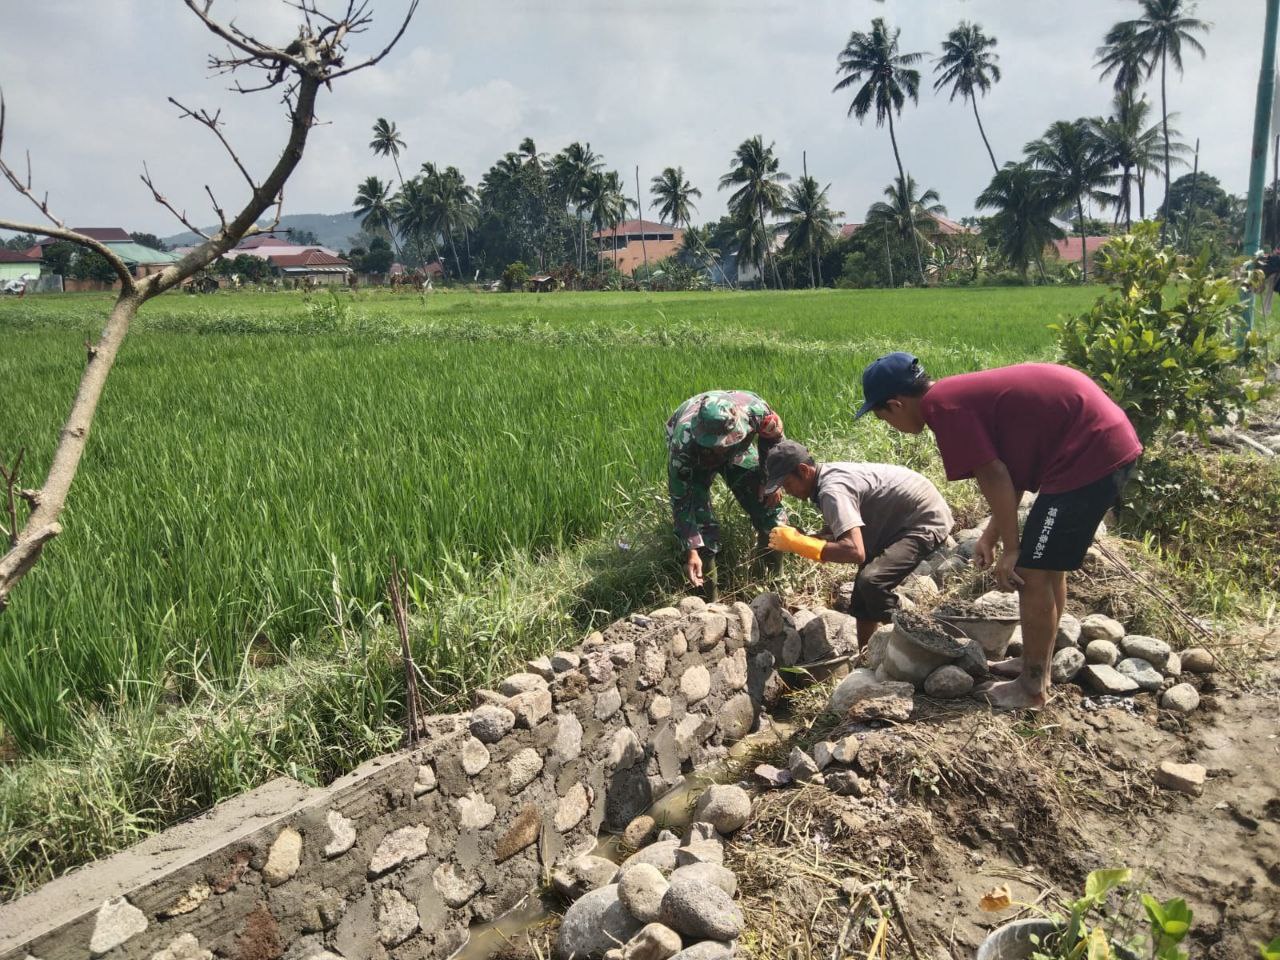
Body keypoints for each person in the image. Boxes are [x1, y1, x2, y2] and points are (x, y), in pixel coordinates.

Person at [854, 352, 1142, 710]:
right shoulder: (952, 397)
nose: (887, 424)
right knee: (1048, 567)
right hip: (1100, 441)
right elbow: (1011, 473)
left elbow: (993, 475)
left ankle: (1032, 688)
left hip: (1091, 452)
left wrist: (1011, 549)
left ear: (896, 404)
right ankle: (1036, 663)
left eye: (882, 416)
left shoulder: (944, 410)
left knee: (1031, 571)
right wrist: (992, 536)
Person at [763, 439, 953, 647]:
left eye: (788, 484)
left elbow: (855, 551)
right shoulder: (825, 478)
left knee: (872, 582)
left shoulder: (831, 491)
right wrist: (808, 538)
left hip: (924, 518)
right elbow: (840, 532)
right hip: (896, 519)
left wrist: (800, 544)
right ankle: (866, 655)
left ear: (803, 470)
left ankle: (920, 641)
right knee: (862, 596)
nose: (788, 492)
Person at [666, 390, 787, 592]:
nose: (718, 449)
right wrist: (691, 550)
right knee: (702, 532)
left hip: (739, 450)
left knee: (770, 511)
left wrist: (771, 480)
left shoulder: (756, 411)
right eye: (712, 443)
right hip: (698, 459)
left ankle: (772, 583)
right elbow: (681, 499)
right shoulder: (683, 443)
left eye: (723, 442)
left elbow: (776, 443)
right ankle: (710, 599)